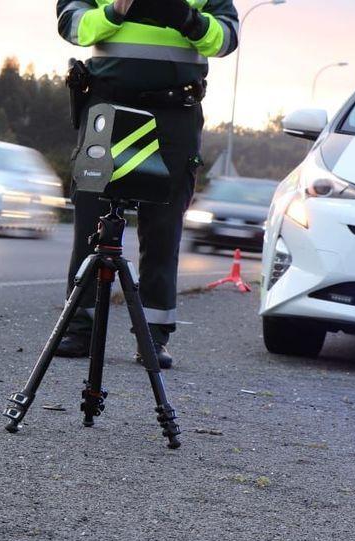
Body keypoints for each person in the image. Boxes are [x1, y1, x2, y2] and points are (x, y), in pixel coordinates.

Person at [54, 0, 240, 368]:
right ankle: (79, 328)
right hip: (108, 106)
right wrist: (114, 12)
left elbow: (226, 39)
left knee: (163, 227)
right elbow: (71, 24)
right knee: (92, 222)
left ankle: (153, 336)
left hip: (175, 112)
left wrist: (188, 20)